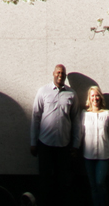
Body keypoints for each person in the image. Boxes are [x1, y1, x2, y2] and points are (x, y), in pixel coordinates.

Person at [29, 63, 82, 205]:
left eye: (63, 73)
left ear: (65, 76)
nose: (60, 75)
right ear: (53, 73)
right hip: (45, 144)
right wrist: (33, 143)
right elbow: (36, 117)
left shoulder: (72, 94)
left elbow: (77, 120)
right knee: (45, 180)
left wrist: (76, 144)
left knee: (62, 181)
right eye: (58, 72)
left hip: (64, 145)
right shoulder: (43, 91)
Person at [81, 85, 109, 206]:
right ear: (89, 98)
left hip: (103, 155)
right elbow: (80, 133)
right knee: (93, 185)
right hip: (88, 155)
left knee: (100, 183)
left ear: (100, 97)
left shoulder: (107, 114)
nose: (95, 98)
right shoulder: (85, 114)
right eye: (92, 96)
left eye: (97, 95)